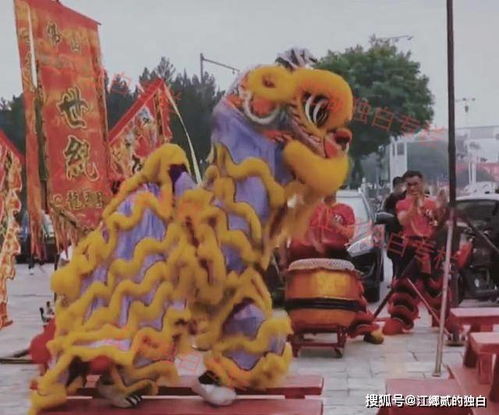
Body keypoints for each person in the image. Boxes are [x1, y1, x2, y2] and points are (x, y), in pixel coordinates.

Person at [282, 193, 383, 345]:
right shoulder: (306, 209)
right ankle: (298, 331)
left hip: (336, 257)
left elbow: (350, 234)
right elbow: (288, 234)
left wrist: (333, 224)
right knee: (301, 296)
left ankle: (364, 329)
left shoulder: (345, 209)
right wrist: (284, 260)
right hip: (306, 260)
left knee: (352, 294)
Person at [383, 170, 447, 335]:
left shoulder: (431, 203)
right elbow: (403, 220)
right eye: (409, 184)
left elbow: (439, 223)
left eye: (415, 184)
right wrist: (415, 205)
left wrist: (442, 207)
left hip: (430, 248)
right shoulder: (402, 204)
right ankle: (399, 319)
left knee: (437, 285)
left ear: (422, 183)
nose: (412, 187)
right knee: (404, 285)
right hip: (410, 249)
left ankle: (443, 319)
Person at [382, 177, 406, 276]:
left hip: (405, 233)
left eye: (402, 186)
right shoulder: (389, 200)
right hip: (393, 233)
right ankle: (394, 277)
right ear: (394, 187)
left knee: (404, 258)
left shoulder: (406, 198)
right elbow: (384, 215)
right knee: (394, 257)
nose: (400, 188)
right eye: (398, 186)